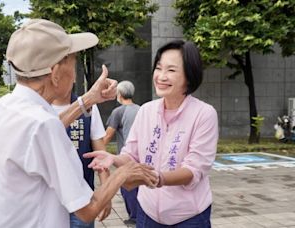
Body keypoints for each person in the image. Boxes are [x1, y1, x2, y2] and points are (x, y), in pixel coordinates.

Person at [0, 19, 158, 228]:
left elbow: (38, 134)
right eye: (73, 61)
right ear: (55, 73)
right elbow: (87, 210)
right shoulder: (42, 125)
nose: (75, 72)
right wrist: (124, 173)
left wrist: (88, 99)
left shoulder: (1, 107)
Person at [85, 40, 219, 227]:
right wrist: (113, 158)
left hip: (189, 217)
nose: (161, 76)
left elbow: (194, 170)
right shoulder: (146, 110)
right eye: (159, 68)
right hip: (147, 213)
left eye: (171, 70)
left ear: (189, 75)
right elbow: (131, 155)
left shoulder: (204, 114)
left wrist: (155, 178)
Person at [52, 87, 111, 228]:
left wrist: (106, 196)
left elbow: (101, 156)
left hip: (82, 199)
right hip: (49, 200)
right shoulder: (40, 108)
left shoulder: (89, 108)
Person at [103, 80, 140, 225]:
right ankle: (140, 215)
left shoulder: (118, 112)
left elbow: (107, 136)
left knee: (128, 187)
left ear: (119, 94)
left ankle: (134, 217)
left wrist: (97, 151)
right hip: (142, 155)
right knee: (140, 185)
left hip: (127, 156)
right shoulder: (141, 109)